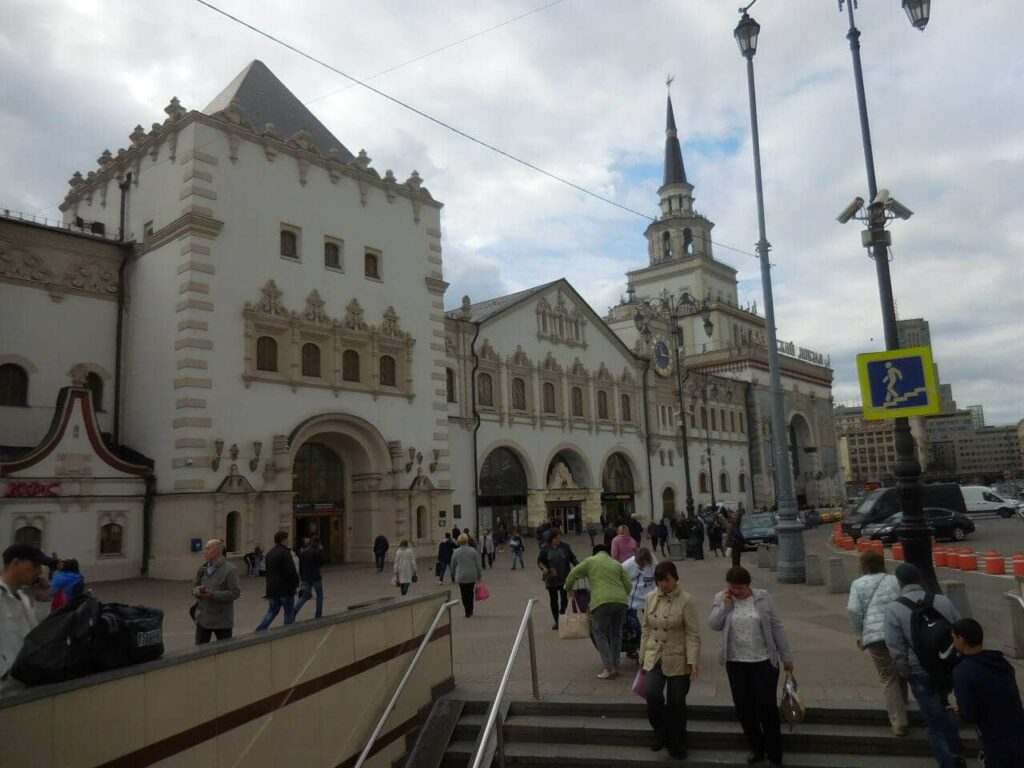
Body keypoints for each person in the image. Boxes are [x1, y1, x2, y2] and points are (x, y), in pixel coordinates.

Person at [710, 566, 793, 768]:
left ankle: (775, 753)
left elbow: (776, 626)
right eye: (732, 587)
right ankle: (757, 748)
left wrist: (786, 656)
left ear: (748, 585)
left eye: (739, 588)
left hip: (764, 661)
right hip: (736, 662)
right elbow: (714, 624)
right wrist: (726, 607)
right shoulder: (722, 598)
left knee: (766, 707)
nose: (736, 591)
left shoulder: (762, 598)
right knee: (743, 708)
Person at [884, 563, 965, 768]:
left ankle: (948, 763)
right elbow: (960, 628)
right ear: (919, 579)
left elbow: (895, 648)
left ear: (899, 582)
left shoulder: (894, 608)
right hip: (946, 665)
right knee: (946, 707)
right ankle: (957, 754)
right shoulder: (941, 600)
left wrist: (906, 673)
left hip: (919, 671)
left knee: (934, 723)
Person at [640, 560, 700, 758]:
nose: (663, 585)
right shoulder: (650, 597)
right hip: (654, 654)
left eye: (666, 580)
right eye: (659, 581)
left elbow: (692, 633)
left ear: (675, 578)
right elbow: (646, 628)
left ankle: (677, 741)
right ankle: (661, 732)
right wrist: (642, 657)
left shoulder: (686, 600)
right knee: (652, 694)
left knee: (676, 701)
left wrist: (693, 662)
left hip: (677, 656)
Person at [847, 549, 907, 736]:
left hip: (875, 636)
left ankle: (898, 721)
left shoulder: (858, 584)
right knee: (902, 668)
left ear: (863, 565)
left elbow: (854, 609)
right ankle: (903, 700)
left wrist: (860, 629)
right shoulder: (893, 580)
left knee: (887, 677)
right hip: (897, 631)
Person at [951, 618, 1024, 768]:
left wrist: (963, 706)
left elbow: (968, 714)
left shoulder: (963, 672)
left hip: (994, 738)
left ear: (961, 639)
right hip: (1017, 728)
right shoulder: (1000, 661)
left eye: (953, 638)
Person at [565, 543, 631, 679]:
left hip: (601, 602)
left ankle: (609, 668)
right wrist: (621, 596)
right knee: (616, 634)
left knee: (599, 633)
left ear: (595, 553)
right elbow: (628, 584)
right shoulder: (616, 564)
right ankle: (616, 665)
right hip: (621, 602)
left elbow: (573, 573)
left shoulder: (590, 561)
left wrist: (568, 587)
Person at [1, 545, 54, 684]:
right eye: (35, 565)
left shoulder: (22, 597)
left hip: (22, 682)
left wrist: (42, 600)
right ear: (15, 563)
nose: (38, 572)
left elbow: (35, 634)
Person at [193, 538, 241, 644]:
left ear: (218, 551)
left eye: (208, 549)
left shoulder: (229, 570)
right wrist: (196, 591)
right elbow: (194, 586)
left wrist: (213, 595)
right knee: (199, 652)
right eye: (205, 549)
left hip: (222, 621)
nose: (205, 551)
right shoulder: (203, 568)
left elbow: (235, 593)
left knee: (225, 651)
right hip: (203, 619)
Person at [255, 530, 299, 631]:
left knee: (272, 611)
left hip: (272, 589)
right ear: (284, 540)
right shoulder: (285, 553)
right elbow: (290, 571)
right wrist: (296, 582)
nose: (288, 541)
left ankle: (261, 629)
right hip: (285, 589)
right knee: (288, 612)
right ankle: (288, 630)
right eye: (287, 539)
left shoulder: (270, 553)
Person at [537, 529, 578, 630]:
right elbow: (540, 560)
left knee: (564, 599)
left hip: (564, 577)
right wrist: (544, 568)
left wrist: (579, 567)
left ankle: (562, 615)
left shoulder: (565, 547)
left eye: (560, 538)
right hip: (552, 578)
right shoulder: (545, 548)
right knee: (553, 600)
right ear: (551, 538)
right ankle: (557, 620)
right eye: (556, 538)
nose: (558, 540)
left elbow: (573, 558)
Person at [293, 535, 325, 620]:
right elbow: (321, 563)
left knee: (304, 596)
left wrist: (301, 576)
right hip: (316, 577)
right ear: (318, 543)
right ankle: (318, 615)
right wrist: (321, 551)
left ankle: (294, 612)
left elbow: (301, 566)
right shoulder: (317, 552)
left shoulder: (304, 552)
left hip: (305, 577)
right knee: (319, 595)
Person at [451, 533, 482, 617]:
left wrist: (453, 575)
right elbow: (478, 564)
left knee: (463, 593)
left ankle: (466, 610)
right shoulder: (472, 551)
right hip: (471, 576)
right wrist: (479, 575)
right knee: (470, 593)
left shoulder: (456, 552)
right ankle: (470, 609)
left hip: (461, 576)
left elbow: (452, 565)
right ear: (467, 540)